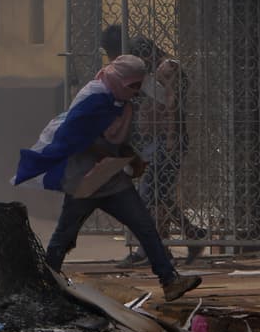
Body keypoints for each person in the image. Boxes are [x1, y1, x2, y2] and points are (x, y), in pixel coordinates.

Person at [14, 55, 201, 302]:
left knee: (144, 225)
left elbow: (117, 140)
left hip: (111, 179)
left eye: (138, 85)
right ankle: (46, 286)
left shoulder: (120, 103)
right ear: (120, 80)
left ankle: (169, 280)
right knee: (64, 235)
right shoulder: (93, 98)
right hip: (85, 179)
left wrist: (130, 157)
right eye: (133, 86)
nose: (136, 91)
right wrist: (115, 155)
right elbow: (77, 136)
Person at [100, 27, 207, 267]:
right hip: (157, 141)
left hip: (168, 141)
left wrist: (170, 139)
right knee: (159, 194)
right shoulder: (154, 73)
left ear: (147, 54)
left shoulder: (168, 69)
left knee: (150, 194)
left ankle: (151, 249)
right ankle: (188, 236)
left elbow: (172, 106)